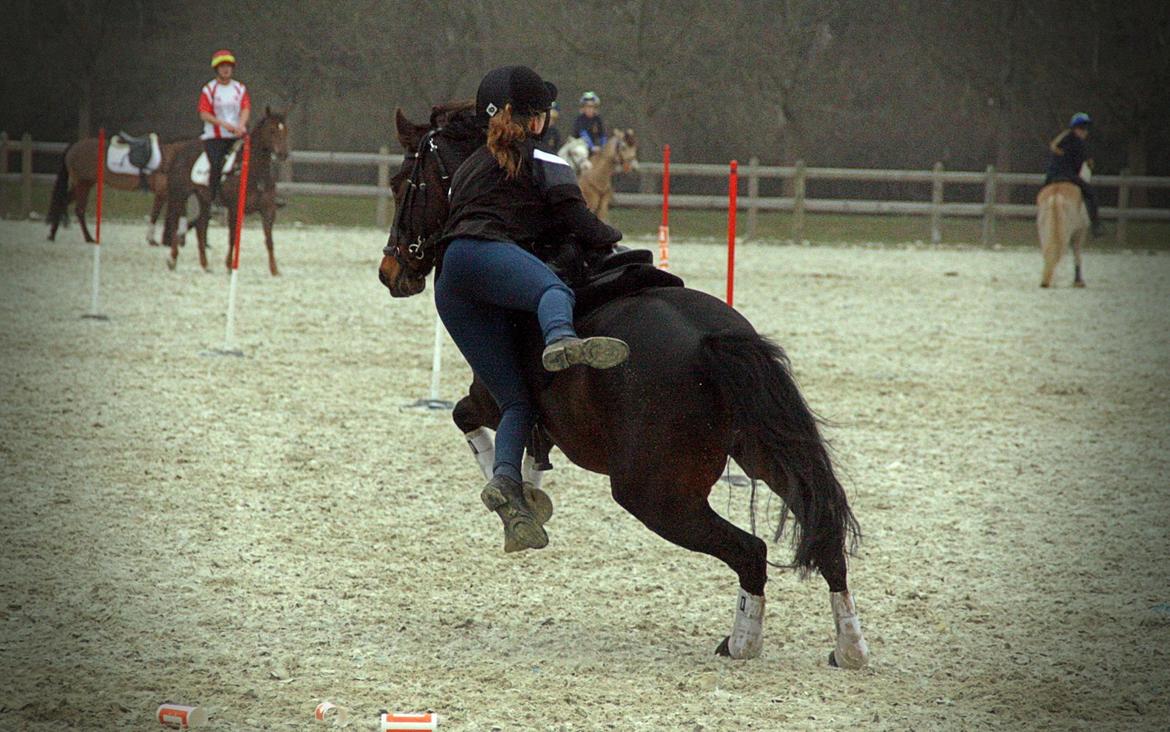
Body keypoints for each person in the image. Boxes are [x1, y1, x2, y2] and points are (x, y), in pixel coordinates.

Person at [435, 65, 628, 553]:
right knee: (553, 293)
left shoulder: (470, 165)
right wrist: (615, 239)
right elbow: (577, 218)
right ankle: (562, 340)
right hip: (487, 253)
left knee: (515, 402)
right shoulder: (542, 158)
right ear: (536, 120)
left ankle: (506, 483)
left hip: (451, 280)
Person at [198, 49, 251, 203]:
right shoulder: (209, 89)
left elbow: (245, 108)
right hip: (215, 137)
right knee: (216, 164)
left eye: (228, 66)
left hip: (237, 136)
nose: (226, 69)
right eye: (222, 66)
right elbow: (204, 114)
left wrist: (241, 125)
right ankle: (214, 198)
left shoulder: (239, 88)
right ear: (217, 69)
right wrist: (224, 125)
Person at [1045, 112, 1101, 236]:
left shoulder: (1062, 139)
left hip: (1052, 176)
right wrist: (1090, 163)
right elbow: (1088, 163)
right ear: (1075, 128)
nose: (1084, 131)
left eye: (1085, 128)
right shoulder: (1080, 143)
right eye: (1082, 128)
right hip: (1068, 176)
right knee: (1090, 193)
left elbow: (1054, 148)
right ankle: (1096, 225)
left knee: (1044, 194)